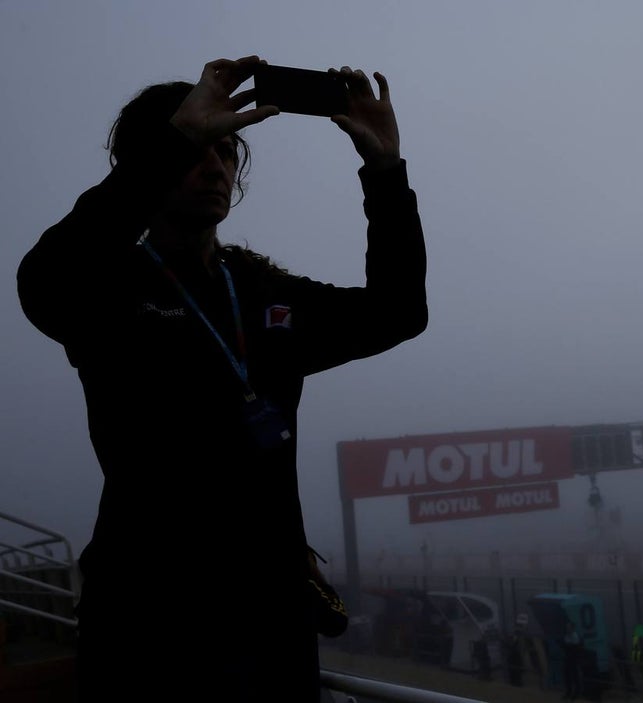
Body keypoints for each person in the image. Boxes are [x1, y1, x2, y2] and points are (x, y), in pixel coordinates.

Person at [16, 56, 427, 702]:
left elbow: (398, 312)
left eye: (228, 150)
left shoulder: (261, 290)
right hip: (148, 626)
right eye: (198, 149)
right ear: (149, 161)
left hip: (270, 626)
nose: (217, 167)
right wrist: (169, 142)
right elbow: (43, 282)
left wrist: (385, 171)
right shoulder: (107, 290)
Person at [562, 620, 584, 700]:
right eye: (567, 627)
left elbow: (576, 649)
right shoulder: (566, 636)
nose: (567, 629)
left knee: (575, 677)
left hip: (573, 660)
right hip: (567, 659)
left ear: (572, 628)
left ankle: (576, 693)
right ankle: (568, 692)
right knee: (567, 676)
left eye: (569, 627)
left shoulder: (575, 637)